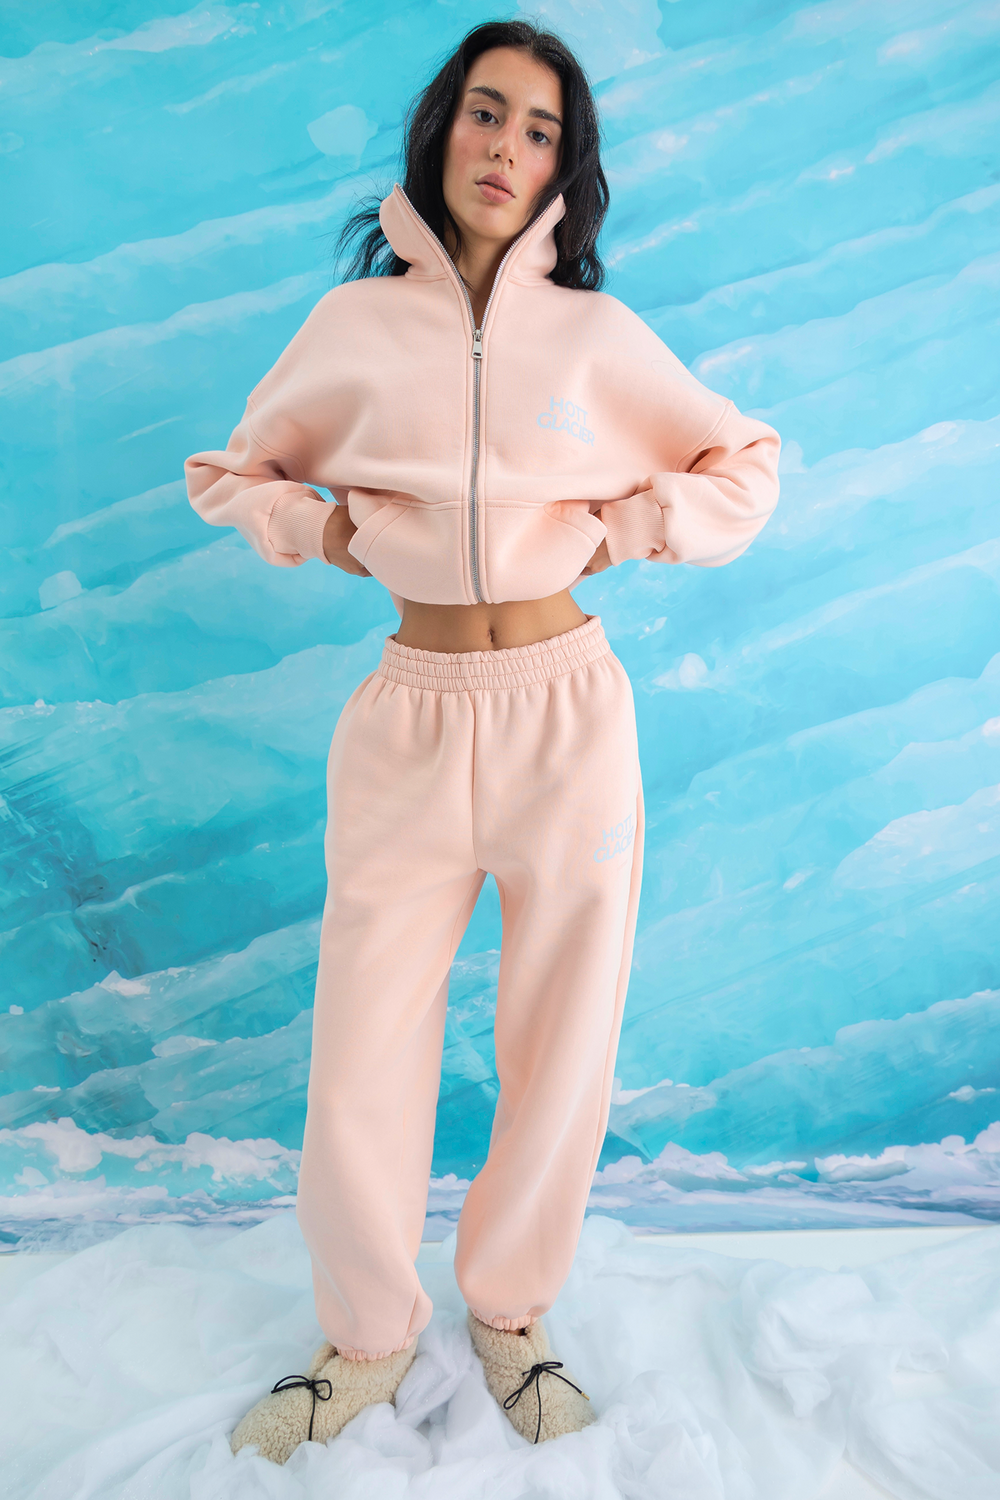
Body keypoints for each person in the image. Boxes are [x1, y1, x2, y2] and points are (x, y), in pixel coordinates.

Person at [184, 18, 780, 1464]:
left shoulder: (597, 337)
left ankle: (511, 1315)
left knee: (561, 1033)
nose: (507, 148)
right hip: (408, 716)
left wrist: (630, 528)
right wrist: (323, 530)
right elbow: (228, 472)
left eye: (540, 130)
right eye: (487, 113)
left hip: (567, 715)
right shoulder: (352, 329)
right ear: (442, 127)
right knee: (362, 1042)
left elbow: (745, 462)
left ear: (566, 168)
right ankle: (367, 1337)